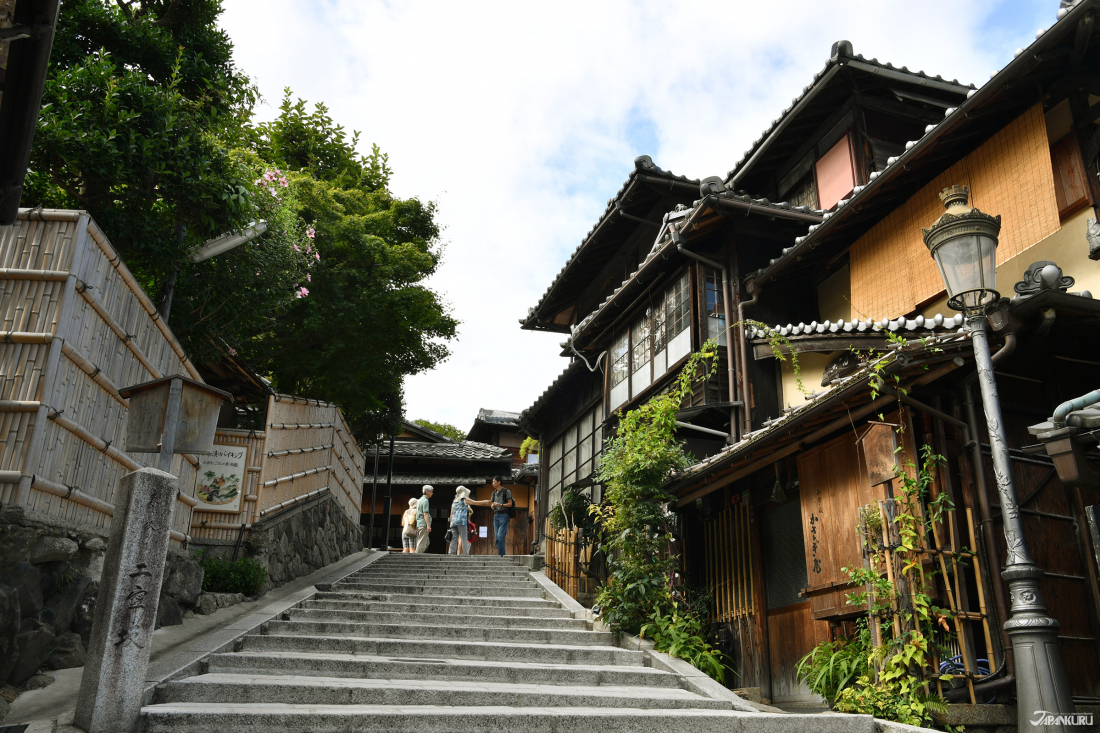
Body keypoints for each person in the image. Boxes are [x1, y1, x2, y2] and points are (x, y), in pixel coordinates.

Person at [448, 486, 492, 555]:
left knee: (454, 538)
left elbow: (451, 513)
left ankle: (451, 553)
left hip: (453, 522)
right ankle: (465, 554)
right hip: (462, 522)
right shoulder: (464, 500)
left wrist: (451, 524)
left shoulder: (454, 502)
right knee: (464, 538)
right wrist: (487, 502)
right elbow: (475, 503)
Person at [489, 476, 514, 556]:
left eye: (494, 481)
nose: (492, 483)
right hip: (496, 515)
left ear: (499, 482)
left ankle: (502, 555)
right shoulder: (493, 493)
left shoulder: (506, 491)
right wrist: (492, 506)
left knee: (500, 536)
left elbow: (510, 504)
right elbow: (491, 504)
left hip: (504, 515)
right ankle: (501, 554)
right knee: (497, 538)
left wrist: (500, 504)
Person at [415, 485, 433, 553]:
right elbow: (425, 513)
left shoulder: (419, 500)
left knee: (426, 542)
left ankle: (418, 554)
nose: (432, 493)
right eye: (431, 491)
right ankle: (417, 556)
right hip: (423, 523)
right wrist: (428, 525)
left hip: (419, 523)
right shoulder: (425, 500)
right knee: (422, 542)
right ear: (427, 492)